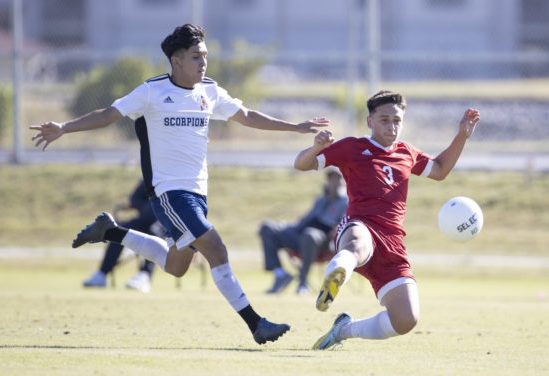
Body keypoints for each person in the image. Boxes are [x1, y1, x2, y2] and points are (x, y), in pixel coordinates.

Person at [29, 24, 329, 345]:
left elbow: (247, 115)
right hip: (169, 192)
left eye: (205, 57)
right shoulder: (152, 91)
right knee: (215, 247)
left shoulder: (209, 91)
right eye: (196, 57)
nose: (203, 63)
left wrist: (296, 127)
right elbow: (107, 114)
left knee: (176, 266)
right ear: (176, 61)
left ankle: (111, 232)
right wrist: (63, 127)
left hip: (198, 192)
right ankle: (256, 324)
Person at [294, 90, 480, 350]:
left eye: (397, 120)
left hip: (393, 243)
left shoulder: (407, 153)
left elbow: (439, 170)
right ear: (370, 121)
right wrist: (316, 147)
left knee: (406, 319)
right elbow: (301, 164)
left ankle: (343, 330)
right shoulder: (353, 147)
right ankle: (335, 276)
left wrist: (462, 136)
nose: (391, 126)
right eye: (384, 120)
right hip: (360, 226)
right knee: (357, 245)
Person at [259, 168, 347, 295]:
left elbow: (343, 225)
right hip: (300, 234)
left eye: (337, 178)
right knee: (268, 227)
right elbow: (306, 220)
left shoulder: (346, 202)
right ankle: (280, 274)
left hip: (323, 241)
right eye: (331, 178)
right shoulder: (321, 200)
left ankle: (303, 282)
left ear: (344, 180)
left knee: (309, 235)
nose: (334, 182)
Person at [82, 180, 158, 293]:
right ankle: (102, 274)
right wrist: (149, 207)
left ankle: (144, 275)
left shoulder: (175, 178)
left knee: (154, 232)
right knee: (118, 232)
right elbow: (135, 199)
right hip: (143, 220)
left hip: (165, 223)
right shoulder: (150, 178)